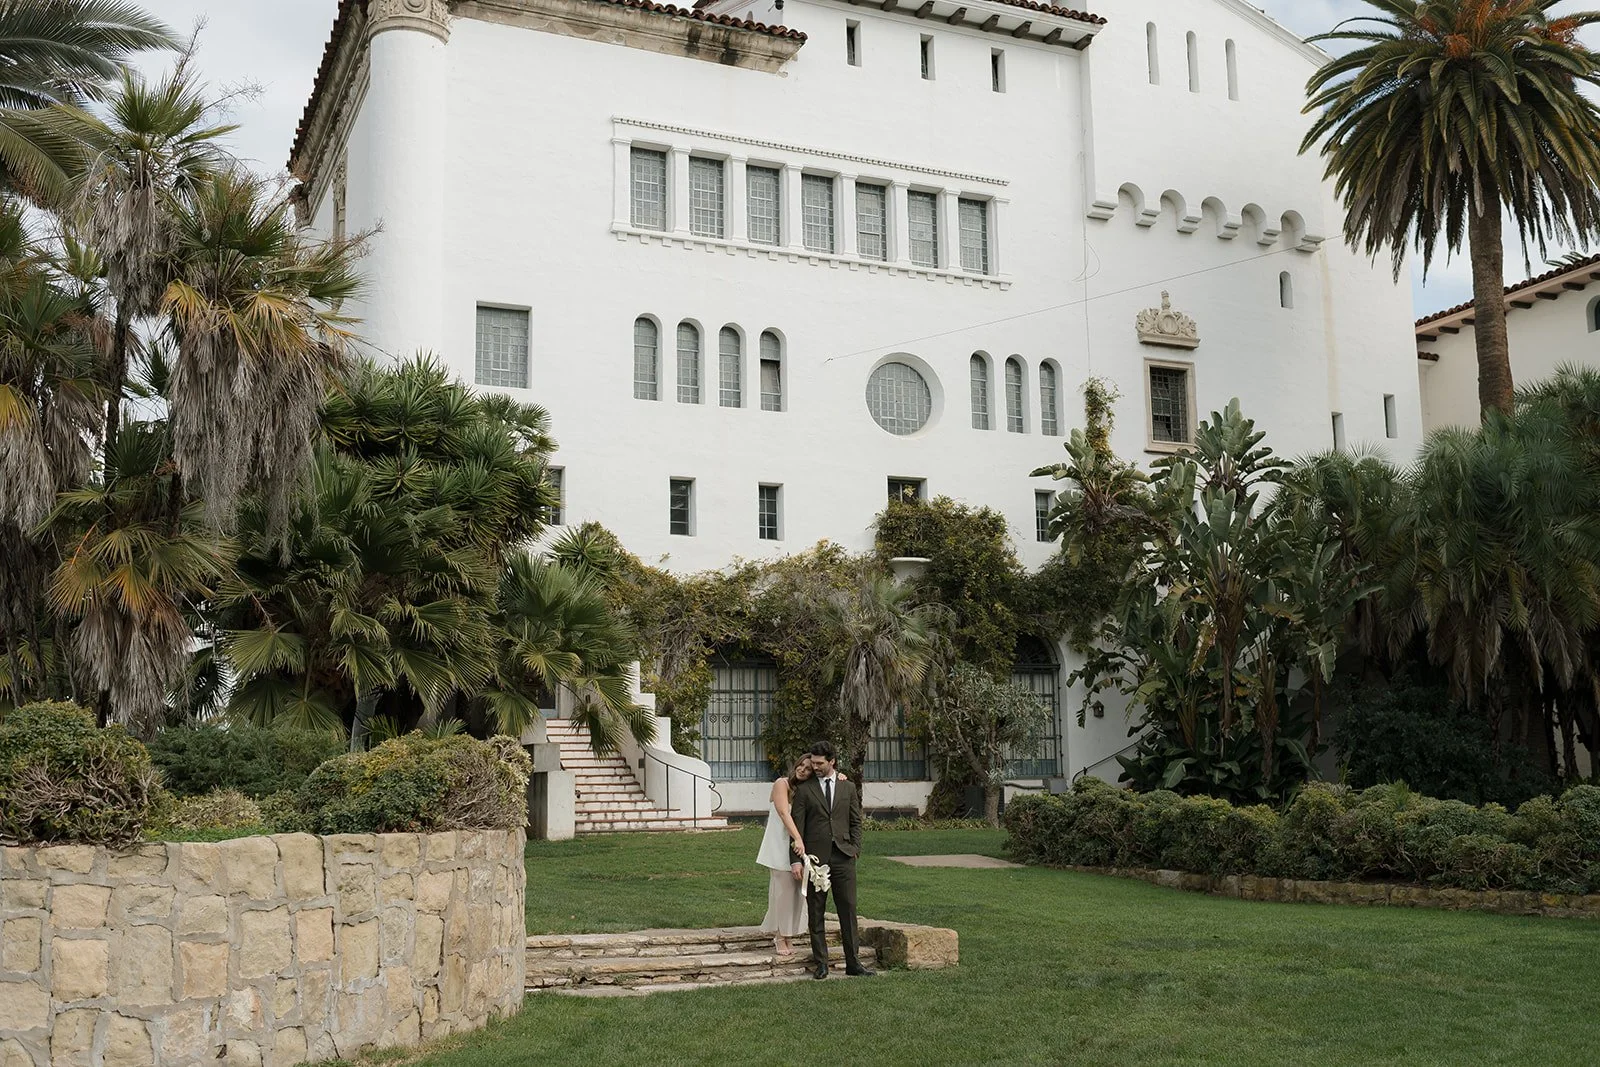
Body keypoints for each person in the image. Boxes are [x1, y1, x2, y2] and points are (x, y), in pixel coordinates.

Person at [789, 740, 873, 979]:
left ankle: (853, 963)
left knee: (848, 909)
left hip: (844, 857)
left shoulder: (848, 787)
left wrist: (855, 848)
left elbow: (855, 821)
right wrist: (796, 860)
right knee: (816, 912)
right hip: (815, 859)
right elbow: (796, 830)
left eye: (819, 763)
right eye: (813, 763)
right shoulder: (805, 790)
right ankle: (821, 964)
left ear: (832, 761)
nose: (814, 767)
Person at [756, 756, 814, 954]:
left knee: (797, 893)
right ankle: (780, 936)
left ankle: (788, 936)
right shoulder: (782, 784)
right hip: (780, 844)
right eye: (801, 765)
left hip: (797, 847)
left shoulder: (806, 791)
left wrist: (840, 776)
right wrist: (797, 838)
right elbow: (783, 812)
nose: (802, 770)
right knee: (783, 892)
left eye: (808, 768)